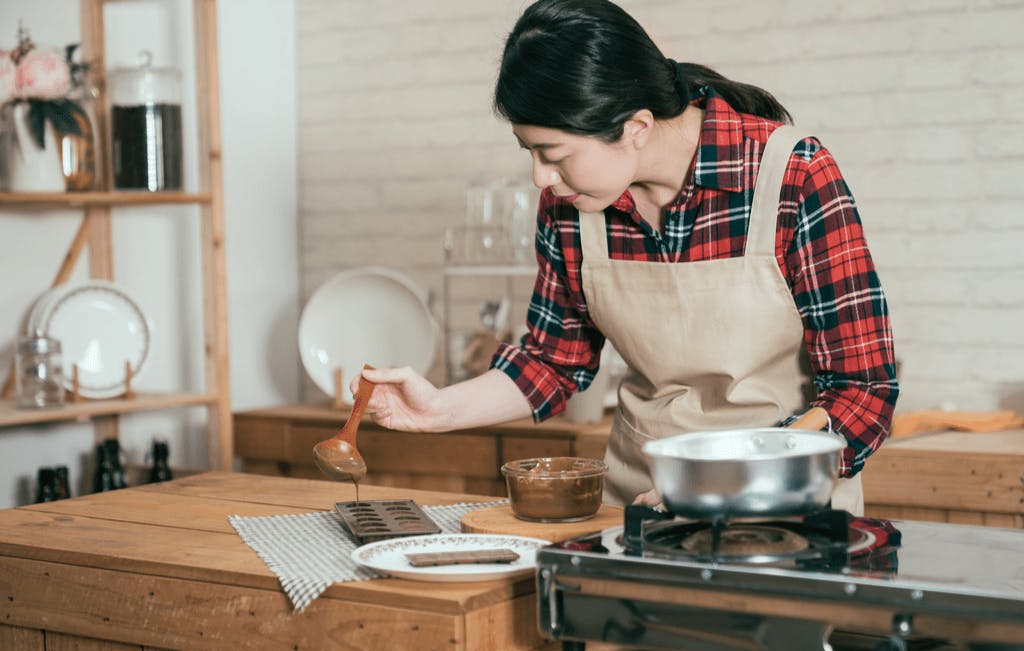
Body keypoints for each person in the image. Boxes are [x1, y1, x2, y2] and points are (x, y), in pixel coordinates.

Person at [352, 0, 899, 513]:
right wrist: (437, 408)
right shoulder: (568, 209)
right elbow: (551, 363)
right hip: (636, 507)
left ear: (635, 127)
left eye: (554, 154)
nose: (541, 177)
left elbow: (863, 392)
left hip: (783, 507)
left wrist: (728, 476)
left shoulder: (791, 175)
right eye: (531, 153)